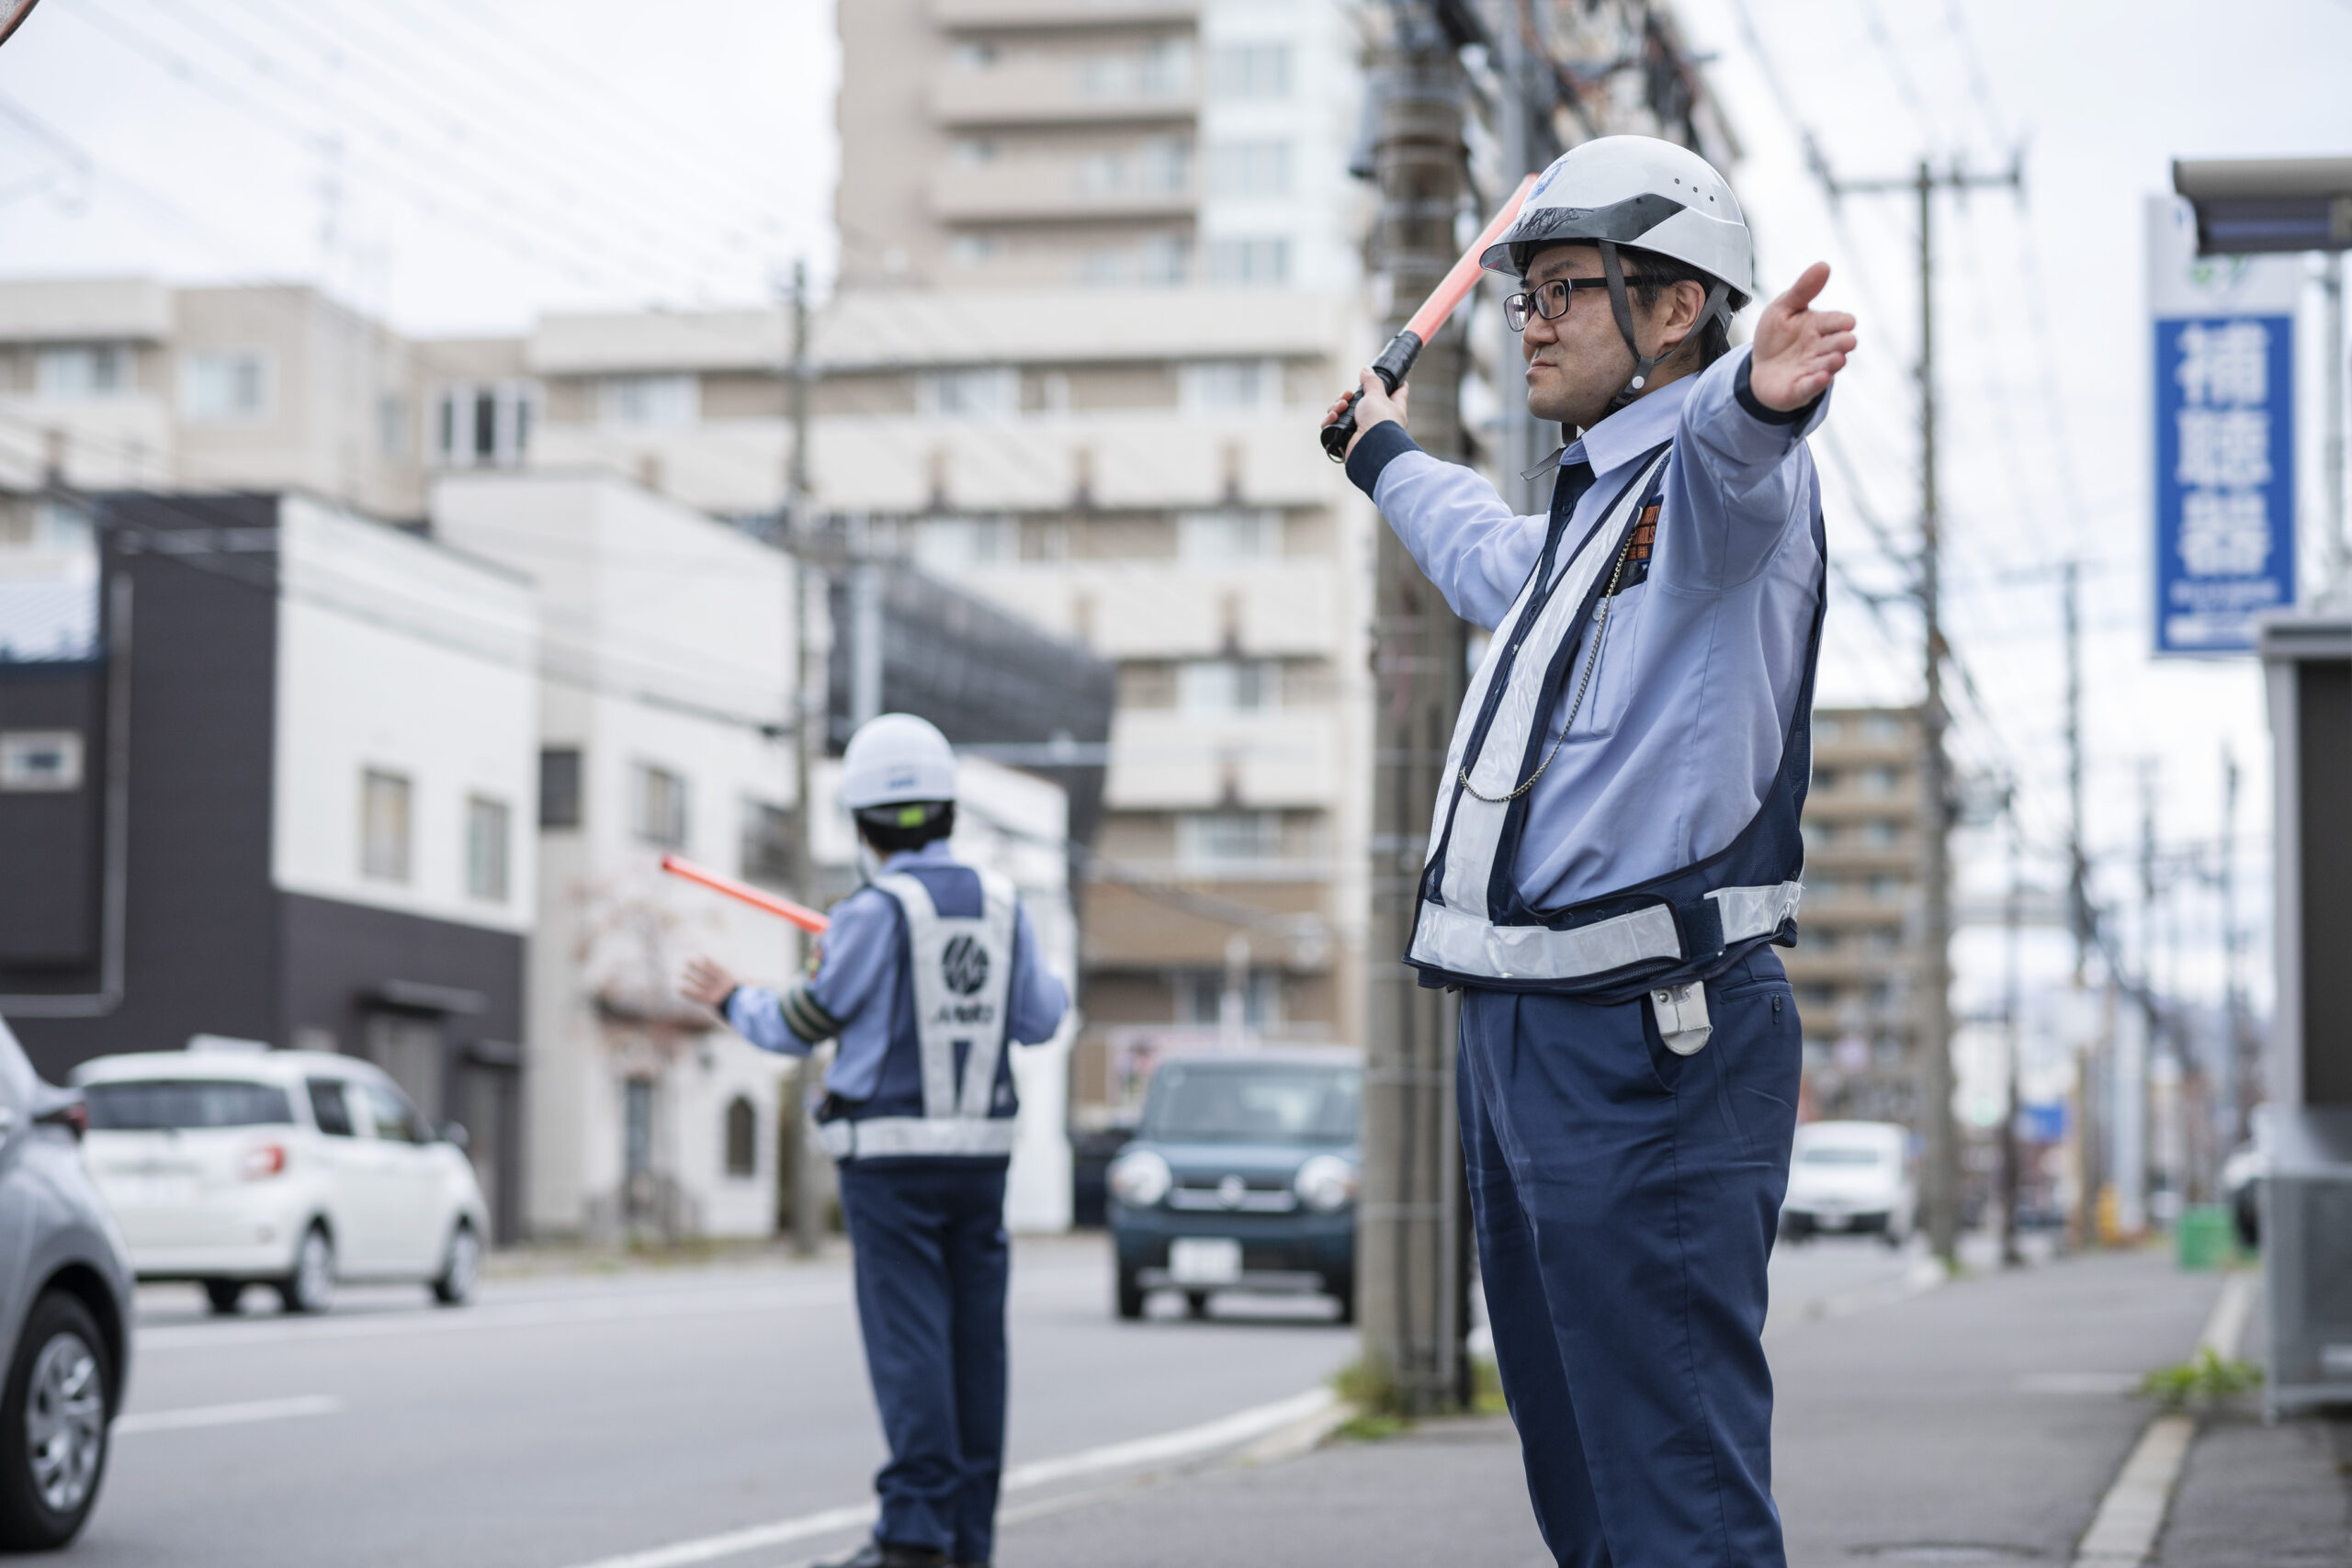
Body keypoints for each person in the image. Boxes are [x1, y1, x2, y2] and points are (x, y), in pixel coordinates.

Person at [1320, 136, 1856, 1568]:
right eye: (1523, 294)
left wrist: (1757, 395)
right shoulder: (1590, 504)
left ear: (1676, 308)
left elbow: (1738, 453)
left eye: (1566, 288)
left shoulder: (1723, 490)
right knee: (1580, 1461)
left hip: (1647, 1041)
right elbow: (1492, 558)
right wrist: (1381, 450)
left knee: (1668, 1472)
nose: (1533, 319)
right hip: (1529, 1029)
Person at [680, 713, 1069, 1568]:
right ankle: (967, 1540)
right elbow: (1042, 1019)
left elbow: (797, 1023)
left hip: (889, 1170)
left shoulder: (867, 914)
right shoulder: (1006, 906)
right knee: (976, 1349)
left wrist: (730, 996)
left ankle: (913, 1537)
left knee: (912, 1343)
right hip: (981, 1167)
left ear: (861, 824)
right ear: (947, 812)